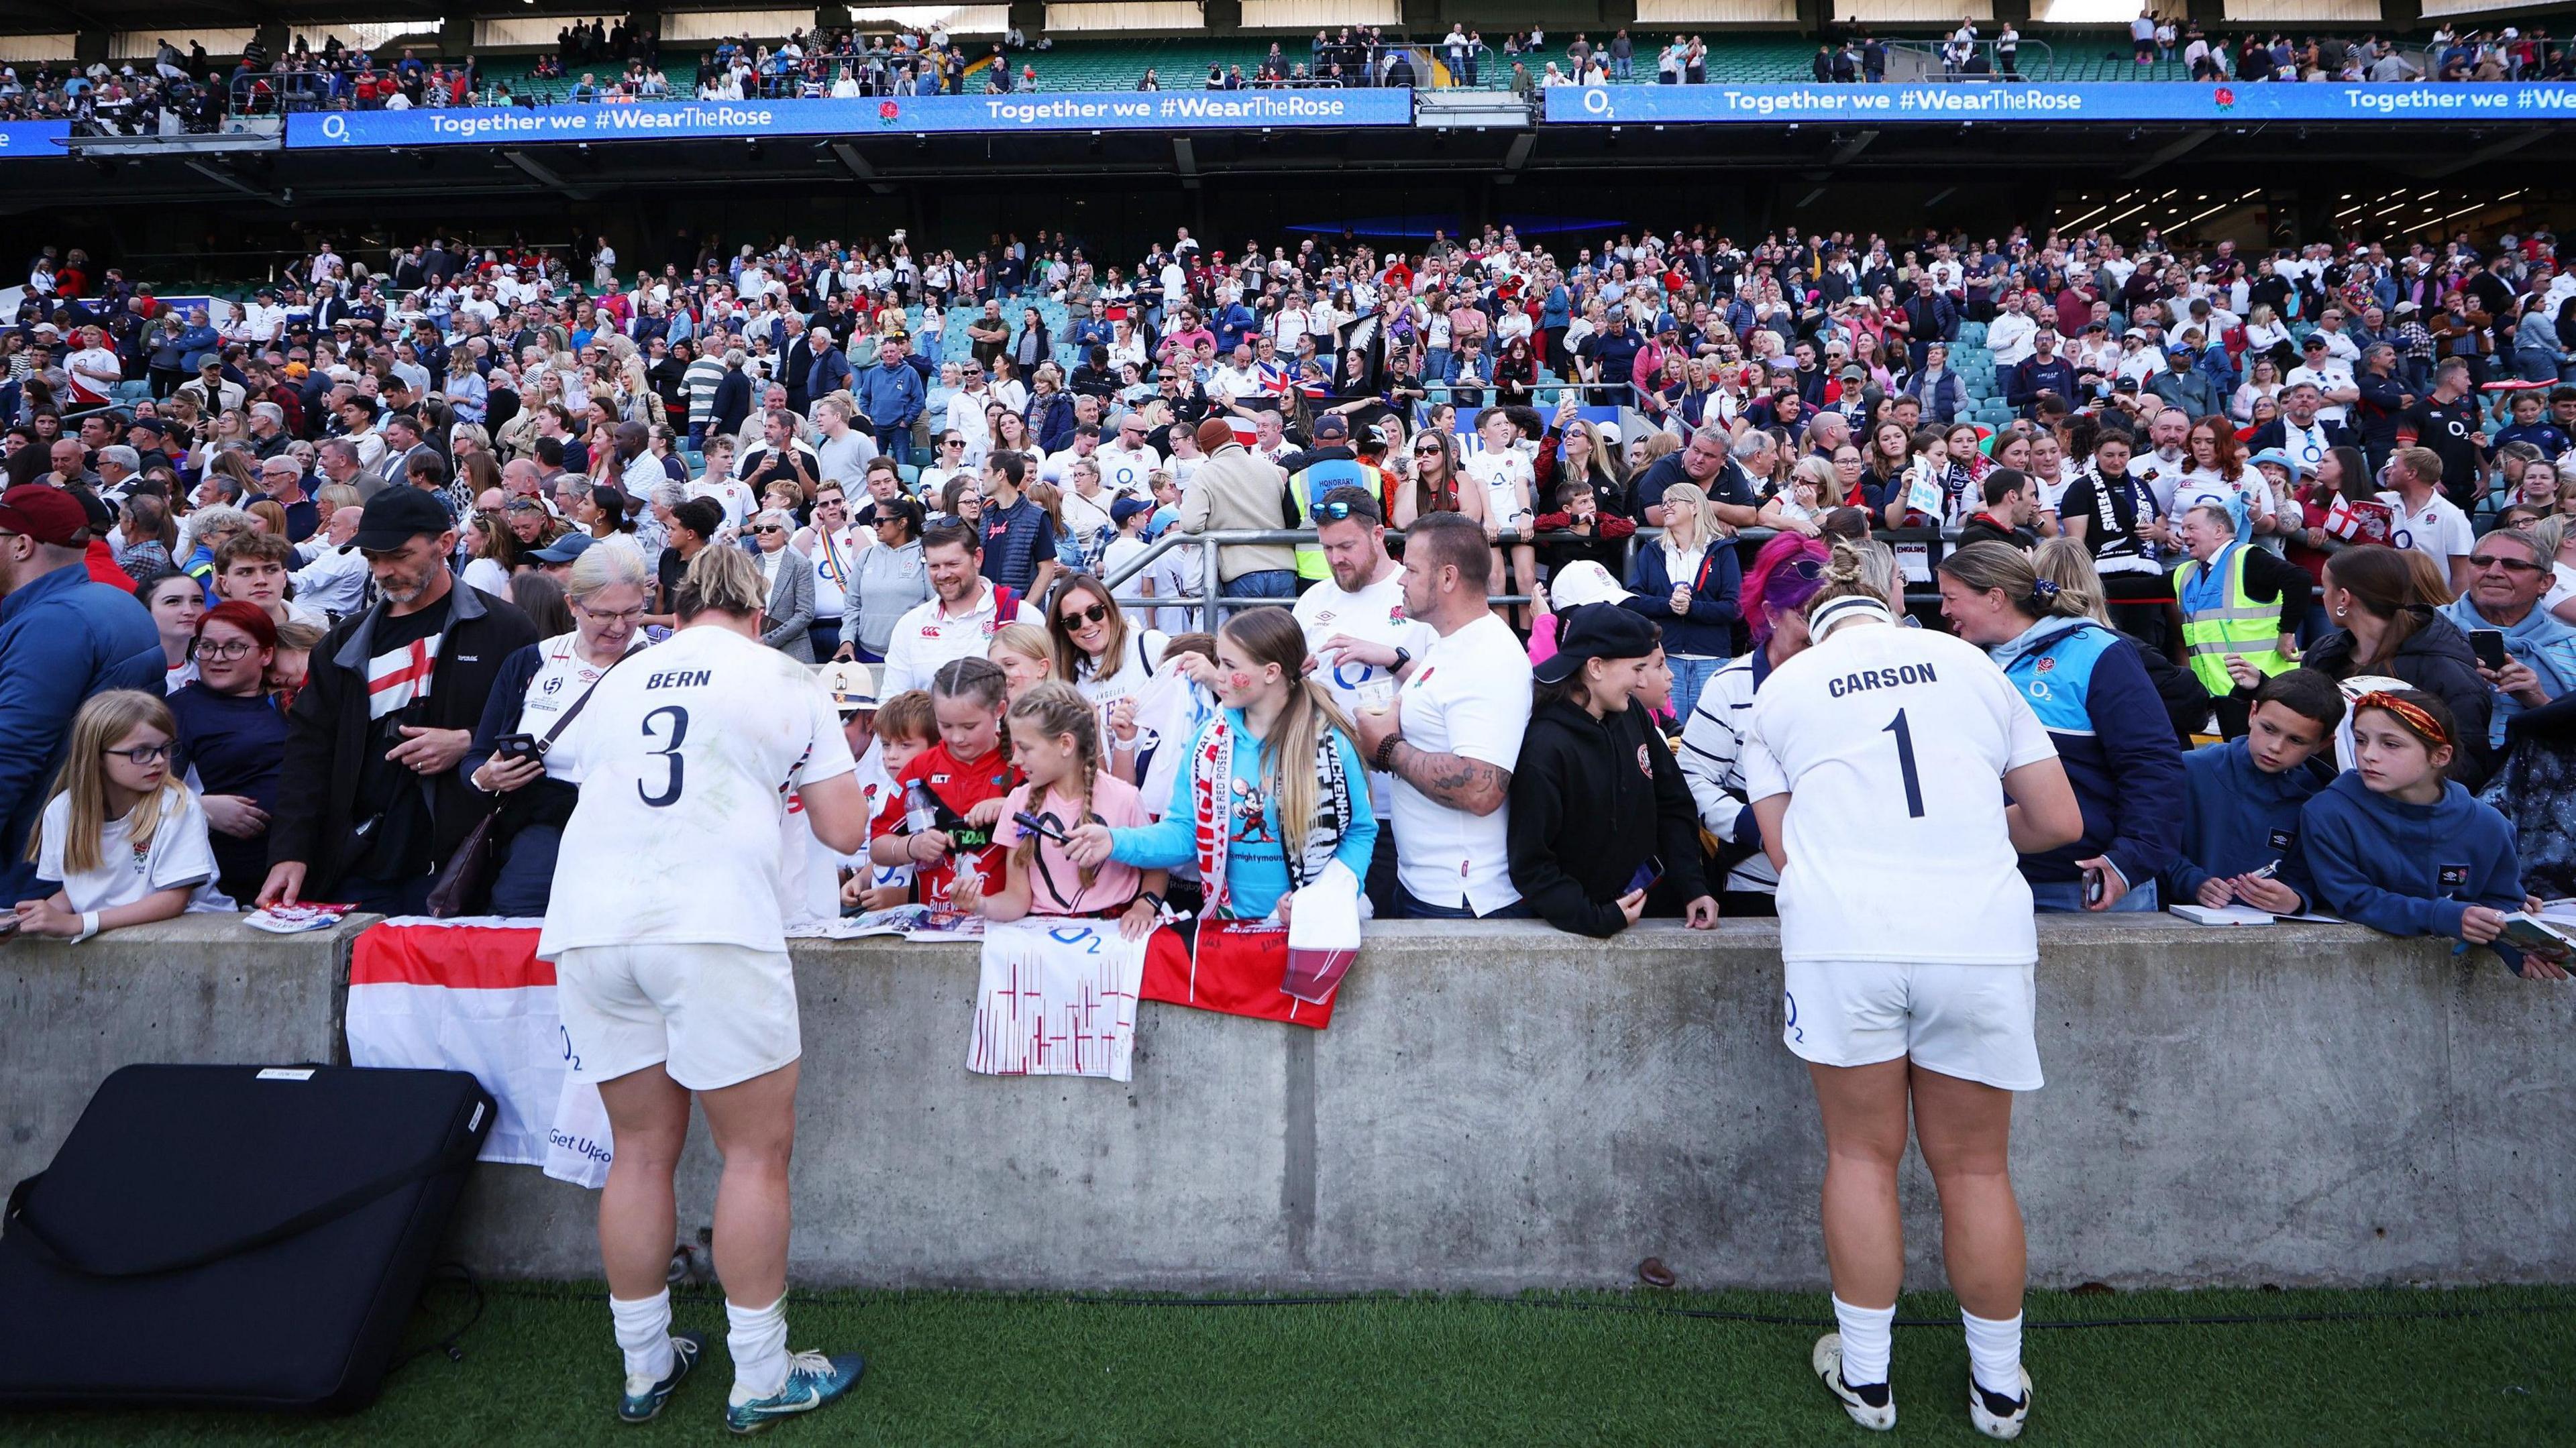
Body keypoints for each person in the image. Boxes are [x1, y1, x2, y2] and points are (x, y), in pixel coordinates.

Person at [1738, 539, 2083, 1441]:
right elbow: (2057, 819)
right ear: (1895, 599)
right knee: (1975, 1167)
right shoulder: (1970, 663)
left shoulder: (1779, 692)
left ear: (1798, 624)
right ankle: (1999, 1389)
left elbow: (1783, 853)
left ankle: (1867, 1376)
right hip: (1975, 931)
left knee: (1861, 1156)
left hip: (1846, 935)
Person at [535, 544, 877, 1432]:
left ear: (678, 610)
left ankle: (646, 1362)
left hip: (591, 919)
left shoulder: (618, 674)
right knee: (755, 1154)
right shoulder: (787, 676)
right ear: (760, 615)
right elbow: (846, 829)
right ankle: (760, 1371)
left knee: (640, 1151)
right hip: (712, 918)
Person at [258, 488, 539, 916]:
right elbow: (308, 752)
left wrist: (467, 743)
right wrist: (290, 851)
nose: (384, 570)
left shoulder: (505, 629)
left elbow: (535, 730)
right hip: (359, 858)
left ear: (445, 544)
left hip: (461, 864)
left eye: (399, 555)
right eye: (373, 557)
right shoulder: (343, 641)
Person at [1069, 606, 1375, 924]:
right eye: (1218, 663)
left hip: (1313, 928)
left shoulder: (1330, 742)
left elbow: (1359, 833)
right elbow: (1186, 834)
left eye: (1229, 666)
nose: (1219, 676)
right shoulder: (1207, 742)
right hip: (1228, 925)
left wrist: (1320, 900)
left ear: (1271, 672)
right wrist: (1114, 841)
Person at [1937, 541, 2184, 913]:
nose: (1943, 610)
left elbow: (2152, 763)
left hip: (2086, 884)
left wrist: (2130, 860)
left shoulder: (2098, 652)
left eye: (1951, 598)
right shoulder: (1968, 661)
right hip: (1992, 880)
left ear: (1994, 598)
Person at [1345, 512, 1533, 920]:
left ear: (1448, 578)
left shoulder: (1487, 657)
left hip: (1463, 899)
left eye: (1411, 569)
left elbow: (1482, 789)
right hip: (1427, 885)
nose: (1400, 579)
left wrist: (1388, 747)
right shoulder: (1451, 642)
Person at [2301, 689, 2559, 980]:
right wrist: (2443, 916)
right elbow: (2354, 899)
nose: (2368, 755)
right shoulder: (2328, 813)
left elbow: (2501, 901)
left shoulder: (2489, 826)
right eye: (2361, 740)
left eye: (2391, 744)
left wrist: (2516, 949)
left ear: (2439, 755)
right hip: (2351, 979)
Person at [463, 545, 653, 917]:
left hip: (632, 829)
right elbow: (477, 756)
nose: (619, 627)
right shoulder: (533, 661)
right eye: (604, 614)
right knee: (521, 906)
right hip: (544, 827)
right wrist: (485, 776)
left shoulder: (664, 666)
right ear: (572, 606)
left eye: (633, 612)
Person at [1507, 604, 1717, 938]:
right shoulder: (1546, 748)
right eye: (1636, 668)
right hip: (1582, 933)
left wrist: (1692, 885)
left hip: (1658, 911)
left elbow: (1674, 803)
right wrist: (1594, 918)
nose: (1641, 680)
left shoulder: (1631, 712)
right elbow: (1532, 865)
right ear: (1596, 667)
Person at [0, 484, 164, 904]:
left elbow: (12, 750)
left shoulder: (53, 622)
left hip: (38, 858)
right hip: (89, 849)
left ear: (21, 546)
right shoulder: (113, 601)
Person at [1295, 486, 1436, 916]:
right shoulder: (1314, 600)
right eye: (1327, 548)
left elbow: (1449, 692)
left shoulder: (1417, 595)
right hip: (1323, 798)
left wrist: (1392, 659)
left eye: (1346, 546)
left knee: (1392, 926)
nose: (1336, 558)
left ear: (1378, 535)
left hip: (1399, 803)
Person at [1679, 534, 1830, 918]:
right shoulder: (1729, 686)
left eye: (1828, 610)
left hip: (1843, 886)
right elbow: (1693, 780)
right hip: (1759, 891)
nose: (1820, 626)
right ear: (1771, 613)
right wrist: (1758, 828)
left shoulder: (1851, 676)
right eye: (1805, 613)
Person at [14, 689, 234, 939]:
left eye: (166, 748)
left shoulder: (177, 804)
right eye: (140, 752)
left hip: (192, 937)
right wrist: (27, 921)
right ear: (96, 756)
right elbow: (76, 892)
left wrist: (80, 923)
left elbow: (173, 900)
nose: (159, 761)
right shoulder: (62, 811)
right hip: (113, 935)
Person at [956, 680, 1164, 937]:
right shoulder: (1018, 801)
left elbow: (1156, 866)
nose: (1016, 759)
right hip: (1042, 939)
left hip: (1114, 937)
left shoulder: (1125, 798)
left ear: (1066, 744)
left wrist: (1145, 905)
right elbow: (1016, 899)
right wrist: (980, 904)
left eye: (1026, 748)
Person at [2304, 545, 2494, 789]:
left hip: (2406, 816)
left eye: (2326, 587)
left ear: (2344, 598)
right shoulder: (2325, 654)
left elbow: (2466, 767)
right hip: (2327, 803)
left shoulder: (2446, 672)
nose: (2323, 596)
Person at [2161, 667, 2342, 915]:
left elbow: (2315, 873)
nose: (2275, 747)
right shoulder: (2190, 769)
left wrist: (2296, 898)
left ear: (2322, 744)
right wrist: (2193, 882)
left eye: (2296, 741)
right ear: (2253, 713)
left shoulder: (2320, 800)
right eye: (2269, 729)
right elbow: (2152, 842)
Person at [872, 656, 1021, 910]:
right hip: (932, 921)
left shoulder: (1022, 762)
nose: (957, 737)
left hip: (1003, 923)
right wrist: (912, 846)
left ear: (999, 710)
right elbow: (878, 845)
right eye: (946, 725)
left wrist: (1013, 806)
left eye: (969, 726)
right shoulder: (921, 768)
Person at [166, 601, 288, 905]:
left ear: (266, 654)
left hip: (304, 861)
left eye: (234, 647)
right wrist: (200, 808)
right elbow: (140, 793)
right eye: (207, 647)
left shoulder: (291, 700)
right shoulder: (181, 711)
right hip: (226, 881)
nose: (217, 658)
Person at [2172, 500, 2310, 734]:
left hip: (2269, 693)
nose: (2184, 536)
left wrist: (2287, 632)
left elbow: (2299, 579)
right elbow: (2144, 587)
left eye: (2191, 528)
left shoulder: (2248, 558)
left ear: (2218, 531)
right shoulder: (2187, 572)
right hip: (2223, 700)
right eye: (2183, 529)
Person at [2438, 527, 2576, 750]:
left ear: (2546, 583)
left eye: (2514, 565)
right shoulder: (2427, 630)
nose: (2493, 572)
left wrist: (2539, 701)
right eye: (2482, 561)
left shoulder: (2571, 645)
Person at [1623, 481, 1743, 720]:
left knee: (1709, 734)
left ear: (1695, 507)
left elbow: (1734, 607)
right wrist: (1669, 604)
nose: (1665, 507)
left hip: (1712, 659)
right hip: (1666, 660)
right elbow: (1633, 601)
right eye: (1664, 502)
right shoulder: (1652, 550)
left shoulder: (1722, 550)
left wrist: (1692, 608)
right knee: (1669, 735)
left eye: (1673, 501)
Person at [877, 523, 1040, 695]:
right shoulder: (911, 624)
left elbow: (1045, 695)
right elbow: (892, 700)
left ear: (977, 557)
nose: (943, 574)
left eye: (952, 564)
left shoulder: (1021, 616)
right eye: (934, 566)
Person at [1180, 416, 1298, 600]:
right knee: (1283, 629)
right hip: (1284, 567)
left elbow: (1191, 524)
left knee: (1245, 629)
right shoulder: (1270, 468)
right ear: (1233, 437)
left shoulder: (1204, 474)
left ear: (1205, 450)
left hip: (1242, 571)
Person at [842, 496, 929, 665]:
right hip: (867, 652)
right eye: (874, 521)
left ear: (902, 523)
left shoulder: (925, 554)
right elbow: (853, 604)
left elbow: (935, 604)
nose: (875, 526)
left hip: (912, 654)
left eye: (881, 521)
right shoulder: (866, 556)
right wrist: (847, 639)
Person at [747, 508, 816, 662]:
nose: (764, 532)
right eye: (759, 529)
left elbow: (805, 614)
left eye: (771, 528)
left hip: (792, 651)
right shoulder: (749, 565)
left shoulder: (801, 565)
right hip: (755, 651)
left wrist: (768, 640)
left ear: (786, 534)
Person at [140, 569, 206, 693]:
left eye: (197, 601)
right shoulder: (133, 679)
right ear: (146, 610)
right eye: (173, 601)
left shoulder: (212, 667)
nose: (189, 611)